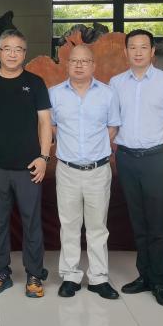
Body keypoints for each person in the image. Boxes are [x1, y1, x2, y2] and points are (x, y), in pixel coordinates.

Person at [111, 29, 163, 307]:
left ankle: (160, 281)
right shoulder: (116, 83)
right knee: (138, 220)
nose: (138, 52)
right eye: (133, 47)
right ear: (126, 52)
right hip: (127, 158)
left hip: (157, 158)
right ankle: (144, 275)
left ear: (153, 51)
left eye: (144, 47)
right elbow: (113, 120)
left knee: (158, 221)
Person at [0, 30, 52, 299]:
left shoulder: (35, 82)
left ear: (24, 53)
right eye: (7, 49)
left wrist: (43, 158)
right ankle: (0, 272)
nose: (12, 54)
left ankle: (34, 274)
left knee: (32, 222)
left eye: (18, 49)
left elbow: (45, 122)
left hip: (29, 167)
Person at [49, 43, 122, 300]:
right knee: (69, 225)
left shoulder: (108, 94)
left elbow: (113, 127)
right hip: (67, 169)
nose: (79, 65)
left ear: (93, 65)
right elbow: (52, 127)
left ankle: (99, 278)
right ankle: (70, 276)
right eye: (74, 61)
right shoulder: (54, 94)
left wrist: (94, 148)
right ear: (67, 64)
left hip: (98, 170)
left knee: (97, 227)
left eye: (85, 61)